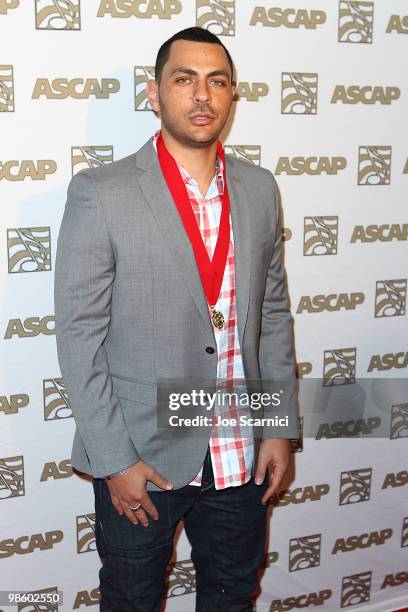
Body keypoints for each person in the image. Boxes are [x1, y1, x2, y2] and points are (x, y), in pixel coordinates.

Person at [54, 26, 299, 612]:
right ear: (154, 93)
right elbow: (79, 337)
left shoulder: (260, 189)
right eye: (184, 79)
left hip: (239, 452)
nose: (202, 96)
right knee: (133, 599)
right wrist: (115, 460)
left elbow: (272, 313)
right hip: (144, 455)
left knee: (232, 595)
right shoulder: (101, 192)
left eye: (217, 82)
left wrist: (278, 427)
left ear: (232, 95)